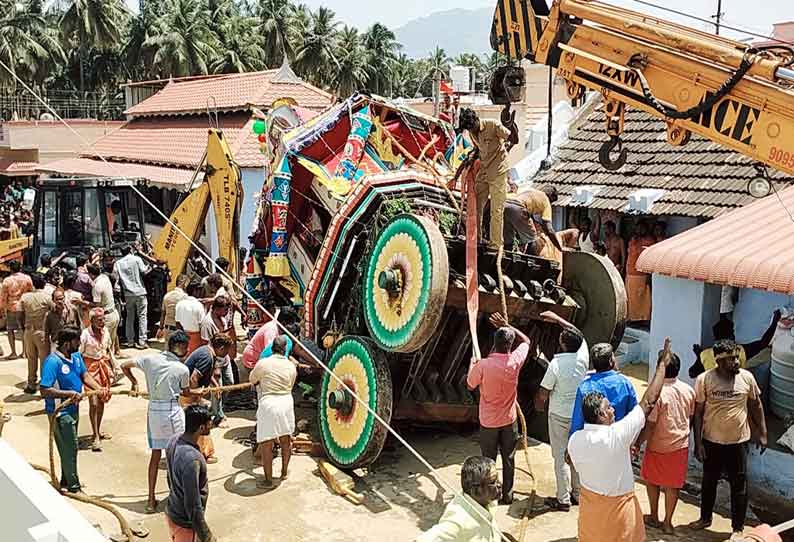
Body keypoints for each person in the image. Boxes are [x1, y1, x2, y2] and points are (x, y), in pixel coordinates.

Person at [568, 339, 673, 542]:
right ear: (600, 414)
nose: (612, 410)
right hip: (619, 512)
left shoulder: (575, 442)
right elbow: (648, 401)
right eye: (608, 408)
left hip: (590, 512)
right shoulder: (617, 435)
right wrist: (662, 364)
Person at [689, 339, 768, 537]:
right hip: (711, 441)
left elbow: (756, 405)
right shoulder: (704, 379)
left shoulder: (747, 378)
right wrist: (698, 443)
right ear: (719, 361)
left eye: (736, 357)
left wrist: (763, 433)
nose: (736, 362)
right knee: (709, 482)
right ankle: (705, 518)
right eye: (731, 359)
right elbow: (697, 413)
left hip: (739, 442)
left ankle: (737, 528)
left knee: (739, 486)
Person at [122, 330, 198, 514]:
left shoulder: (149, 359)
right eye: (186, 347)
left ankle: (150, 499)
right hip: (172, 410)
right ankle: (177, 497)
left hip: (154, 410)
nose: (188, 350)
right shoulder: (182, 369)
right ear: (179, 347)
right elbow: (186, 392)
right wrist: (199, 392)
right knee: (176, 456)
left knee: (156, 456)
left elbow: (125, 365)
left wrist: (134, 382)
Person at [466, 312, 531, 505]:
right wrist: (508, 324)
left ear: (494, 343)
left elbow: (470, 385)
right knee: (509, 458)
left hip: (488, 422)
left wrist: (472, 366)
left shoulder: (483, 365)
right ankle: (508, 495)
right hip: (509, 421)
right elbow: (526, 340)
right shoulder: (515, 361)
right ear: (510, 346)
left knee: (488, 461)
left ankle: (489, 496)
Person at [39, 327, 108, 493]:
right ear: (67, 343)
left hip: (73, 409)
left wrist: (99, 388)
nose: (80, 344)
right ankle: (74, 486)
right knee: (70, 447)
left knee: (68, 447)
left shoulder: (76, 357)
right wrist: (68, 393)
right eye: (77, 341)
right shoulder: (52, 362)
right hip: (59, 413)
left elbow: (85, 376)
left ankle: (66, 479)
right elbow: (44, 390)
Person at [633, 352, 695, 535]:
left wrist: (638, 442)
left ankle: (654, 515)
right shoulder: (688, 390)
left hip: (657, 445)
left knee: (652, 481)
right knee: (672, 486)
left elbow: (651, 425)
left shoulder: (657, 393)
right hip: (679, 445)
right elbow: (690, 418)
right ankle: (668, 522)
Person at [534, 311, 588, 511]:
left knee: (559, 457)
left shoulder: (556, 364)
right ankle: (577, 493)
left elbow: (543, 392)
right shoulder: (583, 357)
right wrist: (557, 319)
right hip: (578, 415)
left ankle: (563, 499)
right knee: (574, 454)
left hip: (558, 415)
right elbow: (579, 334)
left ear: (563, 344)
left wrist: (538, 407)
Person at [458, 107, 518, 249]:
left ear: (477, 120)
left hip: (498, 171)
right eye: (469, 130)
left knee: (496, 211)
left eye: (473, 127)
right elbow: (479, 149)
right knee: (475, 206)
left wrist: (510, 124)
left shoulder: (493, 125)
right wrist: (469, 160)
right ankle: (476, 239)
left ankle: (495, 245)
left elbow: (514, 139)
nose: (472, 131)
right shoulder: (472, 132)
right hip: (485, 171)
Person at [249, 336, 298, 488]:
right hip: (286, 402)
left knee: (266, 443)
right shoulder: (291, 366)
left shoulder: (263, 363)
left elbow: (252, 379)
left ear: (272, 349)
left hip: (269, 403)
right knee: (286, 440)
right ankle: (283, 472)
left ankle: (268, 480)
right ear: (285, 350)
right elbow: (292, 384)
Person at [416, 456, 502, 542]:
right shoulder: (458, 519)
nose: (499, 484)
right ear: (476, 489)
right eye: (493, 482)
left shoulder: (487, 499)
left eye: (497, 479)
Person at [165, 404, 216, 542]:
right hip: (185, 523)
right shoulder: (192, 459)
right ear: (201, 428)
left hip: (172, 511)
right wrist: (206, 536)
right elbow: (192, 505)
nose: (211, 424)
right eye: (209, 423)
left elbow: (169, 479)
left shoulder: (173, 440)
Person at [183, 333, 234, 463]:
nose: (227, 353)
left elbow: (205, 372)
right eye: (227, 350)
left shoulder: (207, 352)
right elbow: (194, 378)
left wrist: (215, 385)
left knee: (201, 425)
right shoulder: (207, 356)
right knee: (199, 426)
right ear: (221, 348)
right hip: (190, 395)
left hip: (191, 393)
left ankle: (204, 452)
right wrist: (196, 396)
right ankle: (201, 454)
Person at [569, 343, 639, 435]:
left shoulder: (584, 387)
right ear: (611, 361)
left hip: (593, 440)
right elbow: (634, 415)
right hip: (619, 437)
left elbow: (577, 422)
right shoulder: (624, 383)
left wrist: (573, 441)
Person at [690, 311, 781, 379]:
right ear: (730, 336)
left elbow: (692, 373)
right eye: (732, 332)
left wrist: (699, 357)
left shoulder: (705, 354)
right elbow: (763, 342)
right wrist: (775, 321)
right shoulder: (739, 351)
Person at [80, 308, 115, 451]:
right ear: (92, 320)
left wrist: (112, 367)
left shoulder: (106, 332)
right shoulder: (85, 335)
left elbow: (108, 349)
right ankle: (95, 436)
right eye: (99, 319)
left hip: (103, 367)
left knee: (101, 401)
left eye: (103, 319)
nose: (102, 322)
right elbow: (79, 354)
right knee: (93, 402)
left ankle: (98, 430)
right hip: (90, 369)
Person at [200, 295, 234, 426]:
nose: (226, 313)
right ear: (216, 309)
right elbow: (205, 344)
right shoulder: (207, 323)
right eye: (225, 310)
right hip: (214, 360)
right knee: (217, 388)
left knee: (229, 383)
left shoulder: (223, 319)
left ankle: (218, 408)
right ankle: (218, 415)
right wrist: (213, 366)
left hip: (224, 357)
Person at [19, 273, 53, 394]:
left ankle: (31, 384)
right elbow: (53, 311)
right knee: (45, 360)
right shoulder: (47, 297)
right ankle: (45, 386)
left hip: (28, 330)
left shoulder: (25, 297)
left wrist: (23, 326)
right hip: (42, 331)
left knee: (31, 358)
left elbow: (20, 313)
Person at [503, 186, 562, 255]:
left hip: (505, 205)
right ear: (551, 197)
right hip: (518, 207)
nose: (551, 204)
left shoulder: (530, 191)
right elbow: (549, 229)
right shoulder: (545, 200)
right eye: (551, 202)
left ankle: (506, 259)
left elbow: (529, 214)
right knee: (532, 238)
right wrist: (559, 248)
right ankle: (530, 261)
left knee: (508, 239)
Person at [114, 245, 150, 349]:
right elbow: (144, 271)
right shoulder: (137, 259)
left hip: (128, 294)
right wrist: (150, 265)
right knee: (142, 316)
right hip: (140, 292)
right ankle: (142, 341)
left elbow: (115, 278)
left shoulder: (118, 263)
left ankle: (130, 341)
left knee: (129, 317)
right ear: (130, 250)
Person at [625, 221, 657, 323]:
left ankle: (641, 320)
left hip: (641, 274)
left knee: (641, 299)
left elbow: (651, 259)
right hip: (630, 273)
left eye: (641, 228)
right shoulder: (633, 239)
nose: (639, 230)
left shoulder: (649, 241)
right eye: (638, 228)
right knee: (630, 299)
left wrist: (648, 275)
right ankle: (632, 318)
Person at [2, 259, 33, 361]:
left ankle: (13, 352)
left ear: (10, 269)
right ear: (20, 267)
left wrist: (2, 308)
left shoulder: (7, 281)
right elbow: (31, 292)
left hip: (11, 307)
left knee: (10, 329)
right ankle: (24, 352)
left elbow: (3, 297)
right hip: (24, 307)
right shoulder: (27, 278)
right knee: (23, 329)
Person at [88, 263, 120, 357]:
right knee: (111, 346)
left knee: (104, 346)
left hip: (106, 317)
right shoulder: (105, 277)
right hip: (114, 313)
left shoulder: (97, 286)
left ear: (91, 274)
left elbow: (96, 305)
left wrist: (82, 302)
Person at [176, 281, 206, 354]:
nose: (202, 293)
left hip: (183, 336)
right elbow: (203, 325)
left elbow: (177, 323)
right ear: (195, 291)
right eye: (200, 290)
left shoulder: (179, 304)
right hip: (197, 338)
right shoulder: (198, 305)